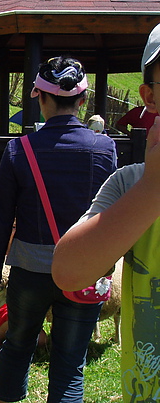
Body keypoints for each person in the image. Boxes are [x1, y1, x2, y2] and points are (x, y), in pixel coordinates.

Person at [0, 56, 117, 403]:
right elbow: (111, 216)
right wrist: (107, 267)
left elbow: (0, 219)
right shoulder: (105, 149)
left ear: (39, 97)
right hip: (83, 272)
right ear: (83, 100)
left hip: (29, 271)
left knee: (18, 346)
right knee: (70, 365)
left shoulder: (18, 150)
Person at [53, 22, 160, 402]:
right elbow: (68, 270)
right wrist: (152, 186)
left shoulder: (22, 148)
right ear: (150, 96)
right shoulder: (130, 181)